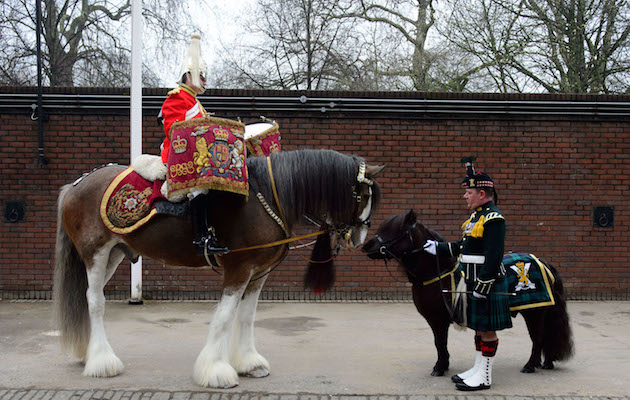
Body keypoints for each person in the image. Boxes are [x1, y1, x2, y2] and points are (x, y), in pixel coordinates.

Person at [423, 157, 511, 391]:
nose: (465, 196)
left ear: (482, 194)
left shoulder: (493, 219)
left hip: (485, 281)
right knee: (479, 328)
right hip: (471, 279)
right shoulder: (476, 218)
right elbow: (464, 247)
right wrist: (438, 248)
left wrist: (484, 284)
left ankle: (485, 376)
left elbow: (494, 255)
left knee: (487, 330)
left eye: (469, 192)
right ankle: (477, 369)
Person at [157, 33, 228, 255]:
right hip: (180, 156)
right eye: (201, 77)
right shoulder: (177, 98)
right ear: (189, 76)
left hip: (197, 156)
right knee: (201, 185)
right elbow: (173, 130)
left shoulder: (195, 102)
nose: (205, 82)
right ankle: (202, 239)